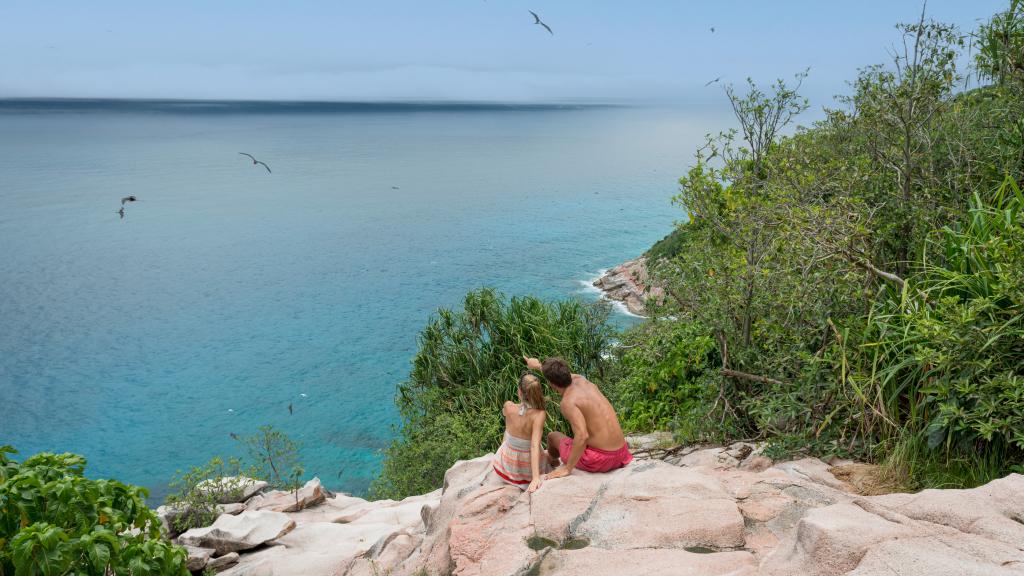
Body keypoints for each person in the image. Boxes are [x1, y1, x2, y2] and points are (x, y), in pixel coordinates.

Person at [523, 356, 632, 479]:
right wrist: (538, 366)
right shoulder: (582, 379)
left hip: (601, 460)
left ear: (552, 384)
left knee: (552, 437)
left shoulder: (568, 402)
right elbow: (560, 374)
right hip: (622, 453)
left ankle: (553, 462)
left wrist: (568, 468)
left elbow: (582, 436)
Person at [492, 373, 550, 492]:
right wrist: (535, 478)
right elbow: (534, 445)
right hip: (526, 470)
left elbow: (507, 432)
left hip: (506, 468)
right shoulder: (539, 415)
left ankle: (502, 458)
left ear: (519, 391)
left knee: (508, 436)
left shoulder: (508, 406)